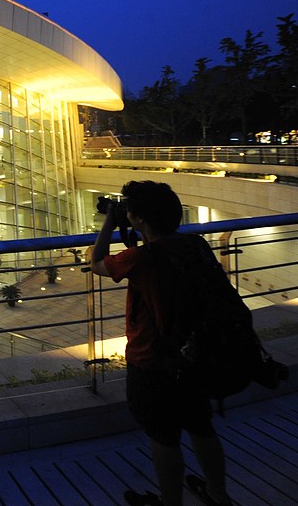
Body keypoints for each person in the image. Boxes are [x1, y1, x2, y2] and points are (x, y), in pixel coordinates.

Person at [90, 180, 233, 506]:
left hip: (152, 361)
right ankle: (218, 495)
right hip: (196, 356)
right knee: (201, 426)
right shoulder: (195, 245)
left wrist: (110, 223)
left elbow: (95, 262)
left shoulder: (140, 258)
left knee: (164, 437)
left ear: (138, 218)